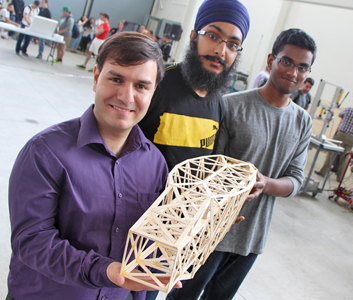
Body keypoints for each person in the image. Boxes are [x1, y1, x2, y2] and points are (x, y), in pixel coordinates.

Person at [6, 32, 182, 300]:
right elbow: (32, 241)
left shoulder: (155, 164)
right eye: (116, 79)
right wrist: (107, 271)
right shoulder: (45, 152)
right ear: (96, 77)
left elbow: (148, 241)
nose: (126, 96)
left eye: (141, 86)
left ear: (153, 92)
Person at [166, 28, 316, 300]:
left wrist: (266, 184)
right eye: (286, 62)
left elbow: (296, 180)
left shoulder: (303, 121)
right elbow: (207, 168)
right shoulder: (230, 106)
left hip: (251, 239)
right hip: (210, 234)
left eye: (302, 68)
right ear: (271, 61)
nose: (293, 72)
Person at [138, 0, 250, 171]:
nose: (221, 51)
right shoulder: (156, 82)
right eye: (213, 36)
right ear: (193, 38)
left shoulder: (219, 104)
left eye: (233, 45)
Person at [315, 95, 353, 180]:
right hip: (352, 139)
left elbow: (340, 115)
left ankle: (323, 172)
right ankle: (340, 177)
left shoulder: (349, 109)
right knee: (345, 157)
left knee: (331, 152)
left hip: (342, 135)